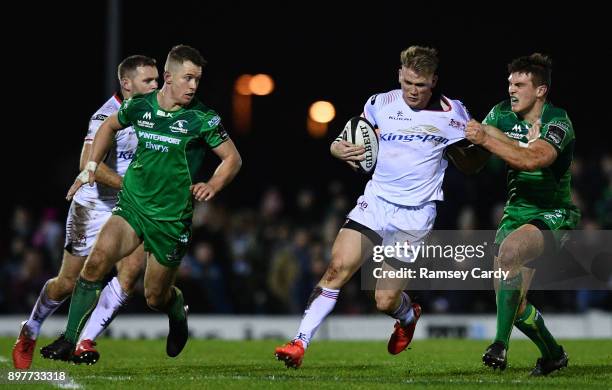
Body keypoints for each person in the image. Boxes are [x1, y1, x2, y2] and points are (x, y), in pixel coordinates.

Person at [275, 46, 477, 368]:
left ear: (434, 81)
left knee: (384, 300)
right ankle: (300, 343)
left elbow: (472, 163)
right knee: (336, 268)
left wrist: (475, 149)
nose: (413, 91)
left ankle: (408, 315)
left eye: (421, 85)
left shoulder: (454, 114)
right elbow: (350, 140)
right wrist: (336, 149)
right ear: (399, 74)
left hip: (416, 213)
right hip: (376, 202)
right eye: (408, 82)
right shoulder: (379, 103)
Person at [40, 44, 242, 362]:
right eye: (188, 78)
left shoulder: (202, 118)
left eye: (197, 80)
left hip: (171, 219)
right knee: (94, 265)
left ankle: (177, 313)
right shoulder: (141, 106)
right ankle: (69, 338)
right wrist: (92, 166)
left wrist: (213, 184)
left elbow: (232, 158)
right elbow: (108, 126)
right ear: (168, 77)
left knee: (155, 296)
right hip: (132, 206)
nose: (193, 86)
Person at [12, 55, 158, 369]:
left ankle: (82, 340)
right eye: (148, 81)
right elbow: (88, 166)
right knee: (67, 282)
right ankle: (32, 327)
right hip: (93, 206)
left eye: (157, 80)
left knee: (129, 275)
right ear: (127, 83)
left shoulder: (155, 113)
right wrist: (131, 186)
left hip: (130, 208)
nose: (155, 86)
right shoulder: (105, 115)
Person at [465, 53, 579, 376]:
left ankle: (499, 345)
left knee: (510, 252)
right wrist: (453, 147)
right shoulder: (501, 114)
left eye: (520, 84)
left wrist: (487, 137)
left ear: (540, 90)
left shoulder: (558, 121)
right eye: (509, 83)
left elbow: (534, 160)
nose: (511, 89)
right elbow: (475, 162)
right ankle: (554, 355)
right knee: (513, 304)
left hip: (553, 214)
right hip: (515, 214)